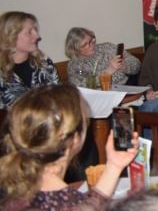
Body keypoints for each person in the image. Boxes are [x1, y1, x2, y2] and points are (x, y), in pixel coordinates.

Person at [0, 84, 139, 210]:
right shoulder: (67, 202)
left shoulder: (15, 192)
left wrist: (114, 166)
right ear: (75, 139)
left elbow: (87, 207)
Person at [0, 11, 59, 109]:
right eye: (29, 32)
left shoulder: (44, 63)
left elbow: (57, 97)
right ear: (11, 36)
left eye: (35, 30)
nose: (37, 36)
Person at [65, 28, 141, 87]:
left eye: (91, 40)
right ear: (75, 49)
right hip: (100, 96)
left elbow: (137, 64)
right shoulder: (74, 65)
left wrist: (125, 67)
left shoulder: (107, 47)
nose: (91, 45)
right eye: (85, 44)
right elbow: (81, 87)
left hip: (127, 86)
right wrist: (108, 71)